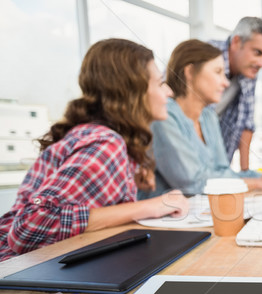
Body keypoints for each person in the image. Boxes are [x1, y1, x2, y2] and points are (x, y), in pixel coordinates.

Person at [0, 39, 188, 262]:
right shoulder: (107, 144)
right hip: (13, 273)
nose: (169, 92)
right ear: (132, 91)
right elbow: (30, 228)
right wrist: (149, 206)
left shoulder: (98, 136)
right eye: (160, 83)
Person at [138, 39, 262, 199]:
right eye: (218, 72)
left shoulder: (208, 117)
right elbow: (193, 184)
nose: (225, 83)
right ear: (190, 72)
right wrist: (258, 183)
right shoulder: (164, 115)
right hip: (165, 220)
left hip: (198, 214)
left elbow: (224, 171)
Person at [209, 17, 262, 171]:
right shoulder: (206, 54)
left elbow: (247, 124)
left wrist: (245, 172)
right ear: (236, 42)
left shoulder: (249, 71)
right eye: (258, 52)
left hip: (218, 167)